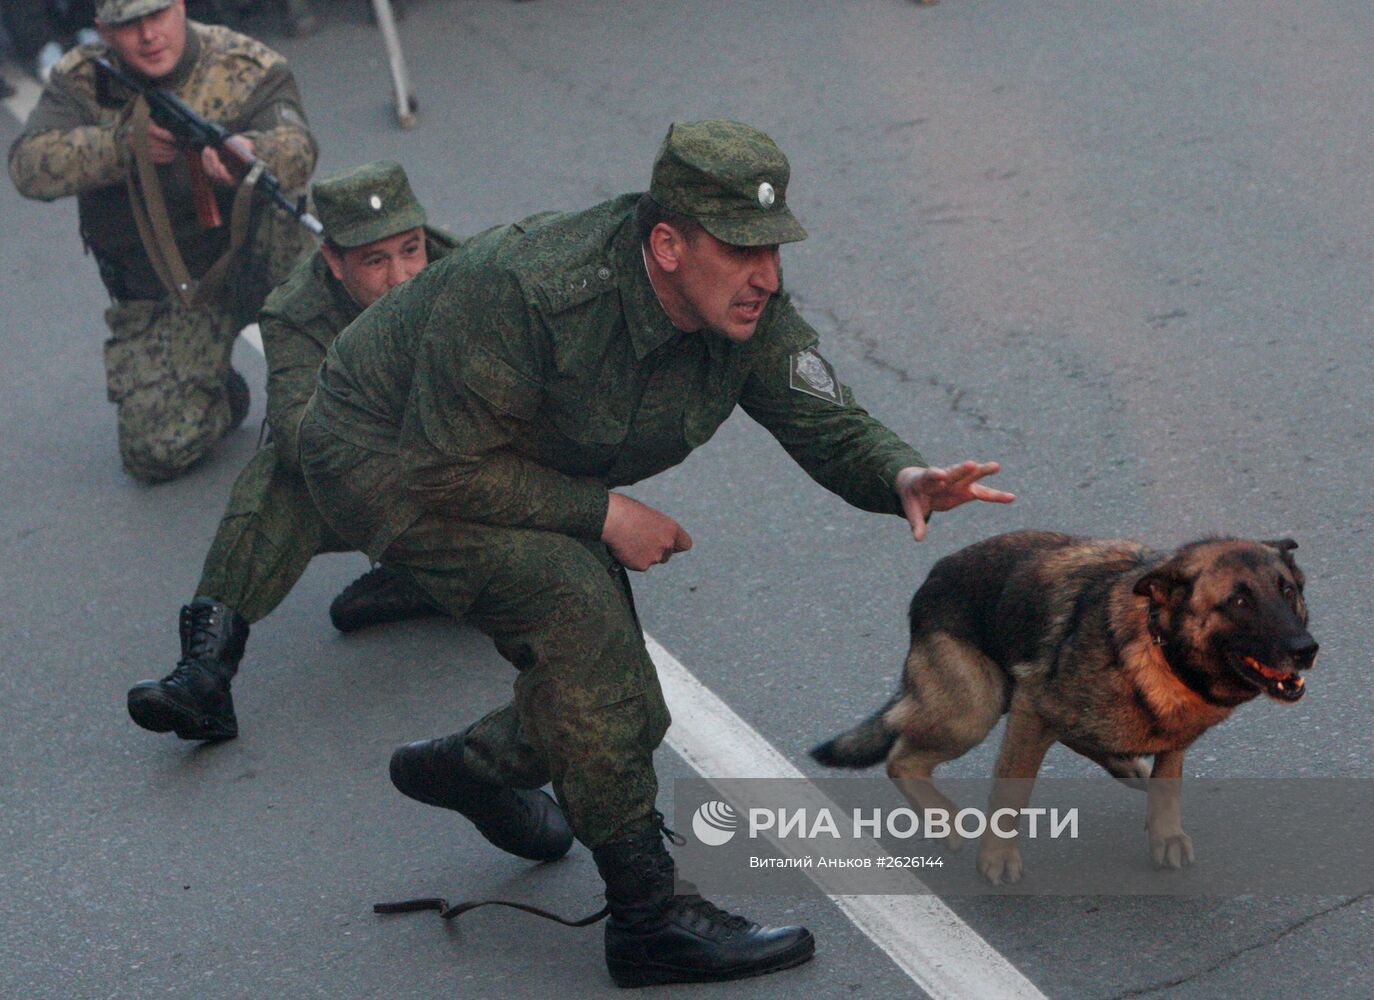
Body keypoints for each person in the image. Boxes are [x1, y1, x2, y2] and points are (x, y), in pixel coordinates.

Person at [298, 120, 1014, 987]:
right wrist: (604, 515)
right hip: (385, 458)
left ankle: (474, 767)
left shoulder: (742, 305)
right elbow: (442, 466)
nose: (768, 275)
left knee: (621, 699)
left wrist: (899, 473)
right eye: (743, 249)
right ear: (668, 245)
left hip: (503, 451)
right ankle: (646, 919)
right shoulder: (532, 290)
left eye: (775, 247)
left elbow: (813, 404)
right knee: (579, 613)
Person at [125, 161, 459, 742]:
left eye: (410, 249)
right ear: (333, 261)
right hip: (388, 476)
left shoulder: (471, 269)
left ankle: (450, 577)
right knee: (279, 472)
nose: (402, 276)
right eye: (375, 261)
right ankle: (205, 674)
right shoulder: (296, 312)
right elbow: (303, 431)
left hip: (484, 465)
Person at [8, 0, 316, 483]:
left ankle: (314, 378)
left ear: (180, 6)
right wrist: (119, 147)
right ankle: (217, 391)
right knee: (157, 451)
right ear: (103, 31)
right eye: (130, 25)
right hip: (166, 291)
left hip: (255, 263)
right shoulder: (83, 79)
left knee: (297, 218)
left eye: (158, 15)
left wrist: (254, 154)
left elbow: (300, 149)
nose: (149, 35)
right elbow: (27, 167)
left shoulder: (243, 63)